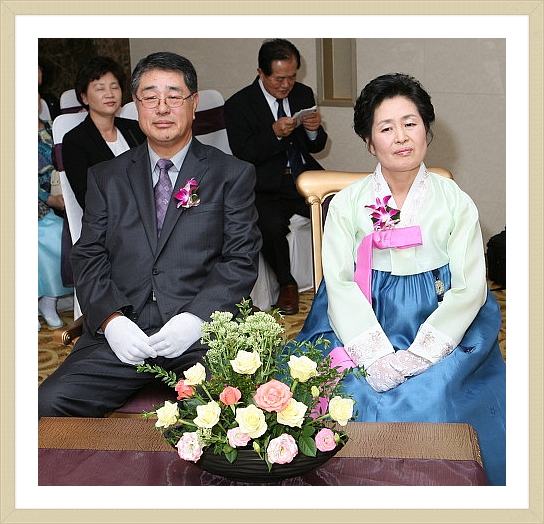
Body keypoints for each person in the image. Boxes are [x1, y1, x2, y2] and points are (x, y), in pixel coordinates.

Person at [296, 73, 506, 485]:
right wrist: (373, 355)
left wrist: (419, 355)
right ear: (369, 141)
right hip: (360, 314)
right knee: (348, 398)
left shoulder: (456, 202)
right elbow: (338, 281)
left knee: (435, 397)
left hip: (441, 315)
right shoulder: (349, 203)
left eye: (410, 123)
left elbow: (469, 287)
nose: (401, 137)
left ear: (427, 130)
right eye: (386, 127)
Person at [38, 51, 261, 418]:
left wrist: (195, 320)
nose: (162, 108)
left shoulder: (231, 174)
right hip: (126, 330)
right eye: (150, 97)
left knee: (234, 411)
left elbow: (240, 259)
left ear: (193, 103)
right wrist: (112, 322)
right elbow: (88, 256)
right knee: (50, 403)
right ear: (136, 105)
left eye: (174, 96)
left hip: (200, 333)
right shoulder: (106, 177)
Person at [224, 39, 328, 315]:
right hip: (266, 185)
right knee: (268, 225)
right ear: (261, 73)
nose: (286, 85)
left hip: (304, 178)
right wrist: (273, 133)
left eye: (292, 77)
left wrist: (313, 130)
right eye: (279, 79)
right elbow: (243, 153)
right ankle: (287, 284)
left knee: (338, 207)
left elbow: (317, 146)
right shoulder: (239, 105)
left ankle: (341, 277)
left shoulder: (303, 93)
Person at [62, 55, 147, 209]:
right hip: (113, 217)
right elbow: (87, 200)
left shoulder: (134, 128)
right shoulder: (75, 141)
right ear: (84, 97)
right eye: (100, 88)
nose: (110, 94)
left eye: (114, 87)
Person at [38, 92, 73, 330]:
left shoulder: (55, 127)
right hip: (37, 201)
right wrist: (48, 198)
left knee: (61, 234)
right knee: (44, 236)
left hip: (61, 197)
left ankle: (48, 301)